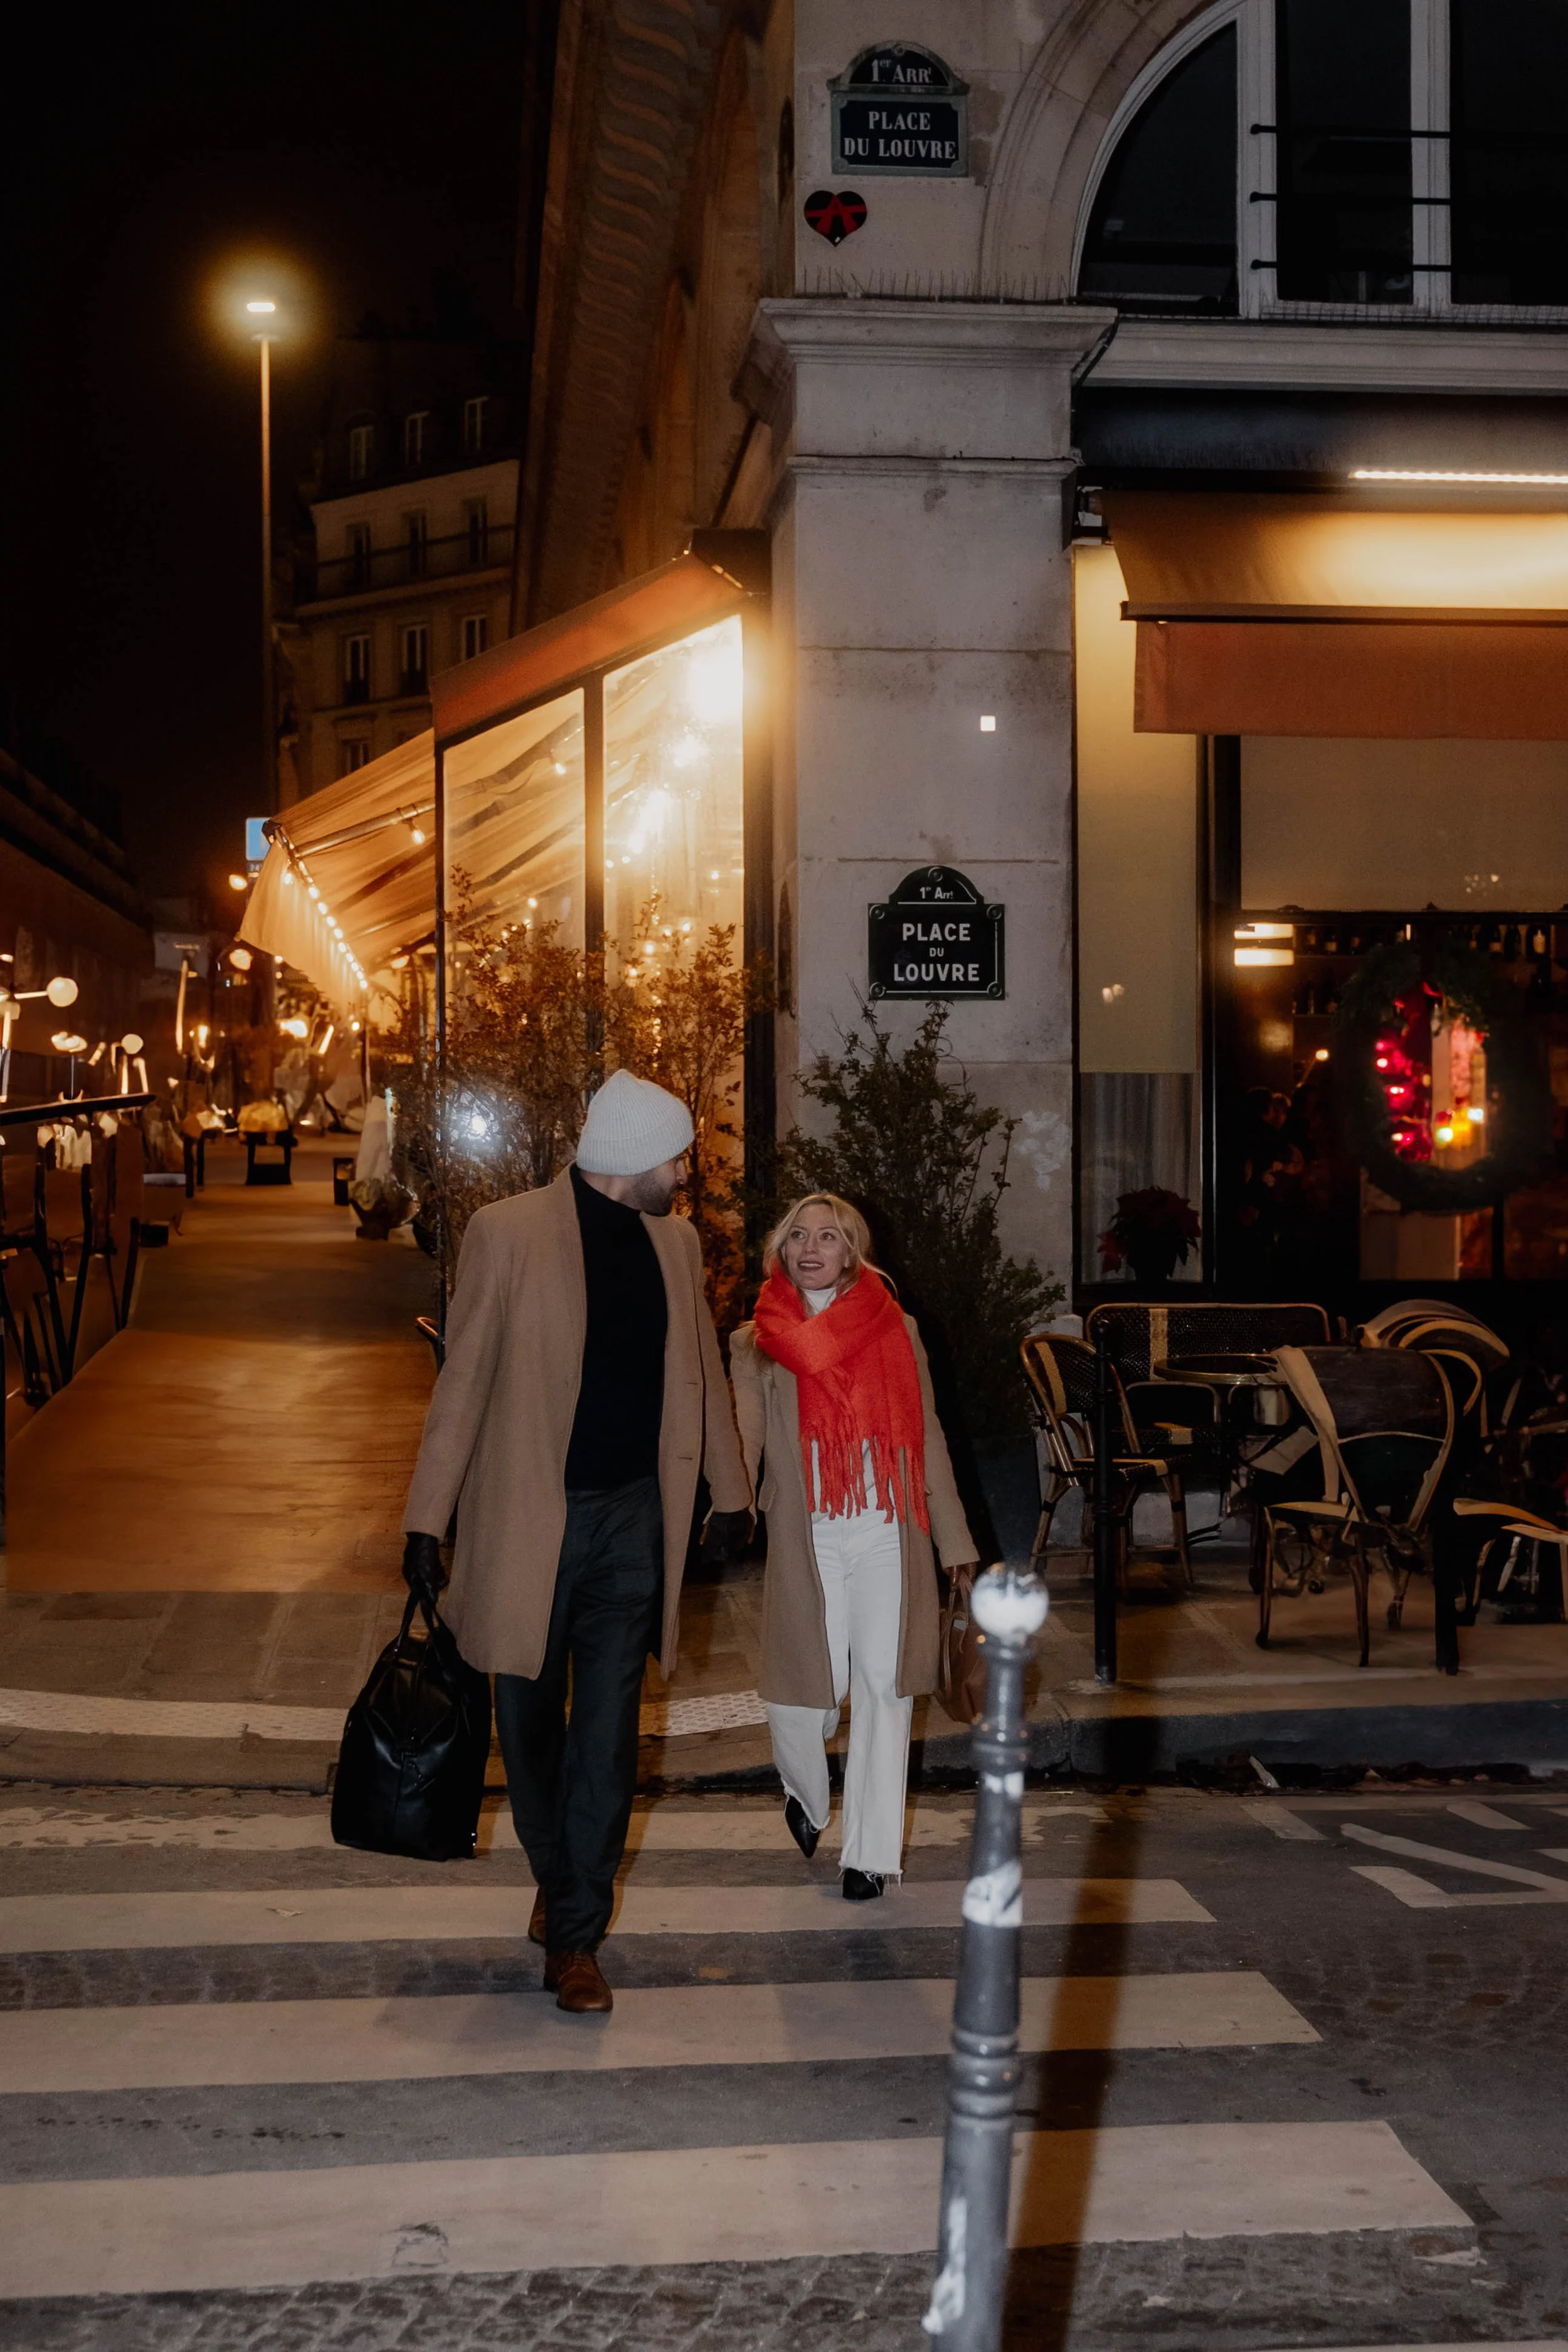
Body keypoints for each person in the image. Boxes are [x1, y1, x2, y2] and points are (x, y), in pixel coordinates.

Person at [401, 1069, 751, 2013]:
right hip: (529, 1519)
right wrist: (427, 1519)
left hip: (633, 1521)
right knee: (529, 1732)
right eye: (677, 1156)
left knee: (605, 1737)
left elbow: (704, 1374)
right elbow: (463, 1379)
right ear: (633, 1155)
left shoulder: (676, 1245)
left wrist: (729, 1489)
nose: (685, 1174)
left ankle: (576, 1936)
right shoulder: (507, 1232)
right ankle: (559, 1885)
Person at [729, 1192, 978, 1899]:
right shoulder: (755, 1342)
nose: (811, 1248)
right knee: (808, 1693)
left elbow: (926, 1436)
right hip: (806, 1533)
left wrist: (955, 1540)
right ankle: (805, 1793)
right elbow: (747, 1436)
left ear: (852, 1252)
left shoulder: (894, 1327)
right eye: (799, 1236)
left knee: (882, 1685)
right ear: (781, 1251)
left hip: (885, 1527)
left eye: (829, 1237)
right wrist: (730, 1507)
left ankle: (869, 1855)